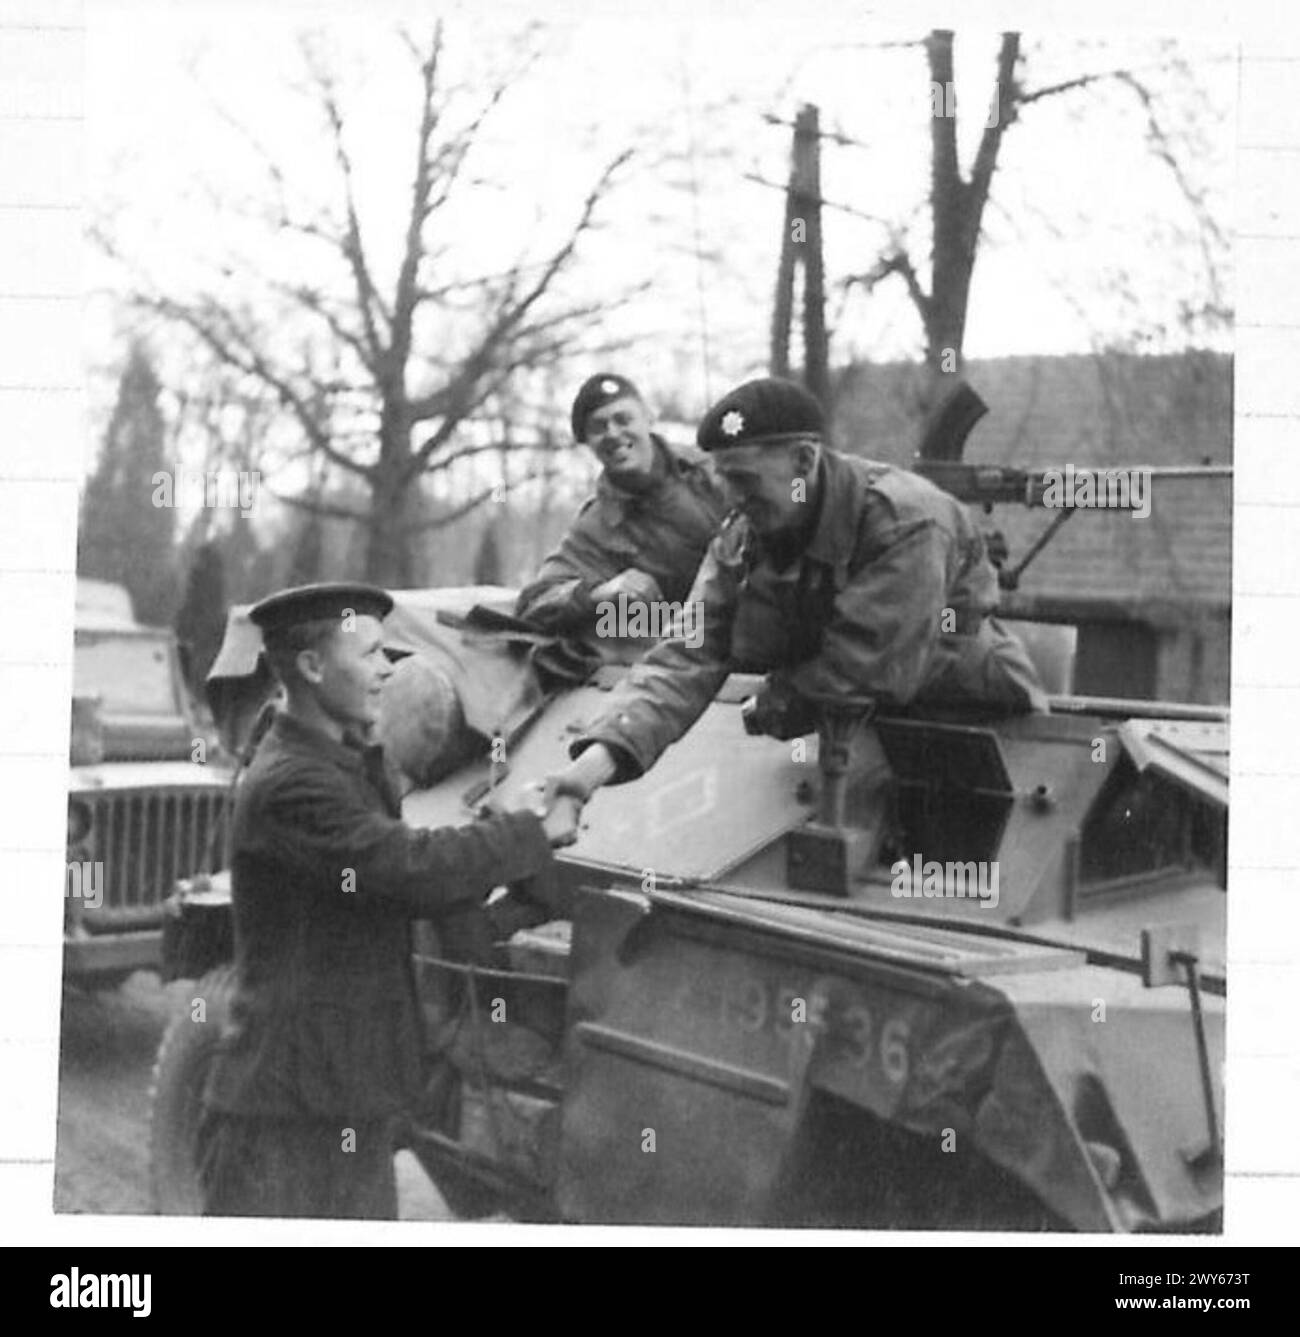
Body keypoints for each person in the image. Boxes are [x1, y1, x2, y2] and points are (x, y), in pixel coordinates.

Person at [198, 582, 578, 1219]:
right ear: (313, 668)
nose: (387, 671)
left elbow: (391, 886)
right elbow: (404, 868)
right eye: (371, 655)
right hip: (281, 1125)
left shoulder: (343, 761)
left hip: (344, 1108)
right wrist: (528, 831)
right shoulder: (292, 781)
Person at [546, 376, 1048, 800]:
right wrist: (589, 770)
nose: (735, 503)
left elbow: (867, 665)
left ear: (804, 462)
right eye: (725, 483)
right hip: (838, 732)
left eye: (745, 481)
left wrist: (772, 703)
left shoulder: (905, 521)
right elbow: (686, 656)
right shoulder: (744, 536)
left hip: (976, 728)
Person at [514, 372, 729, 635]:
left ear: (649, 417)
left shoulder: (714, 472)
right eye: (598, 427)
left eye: (623, 419)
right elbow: (536, 601)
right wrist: (599, 594)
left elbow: (791, 497)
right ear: (587, 442)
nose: (613, 434)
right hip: (692, 645)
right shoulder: (597, 527)